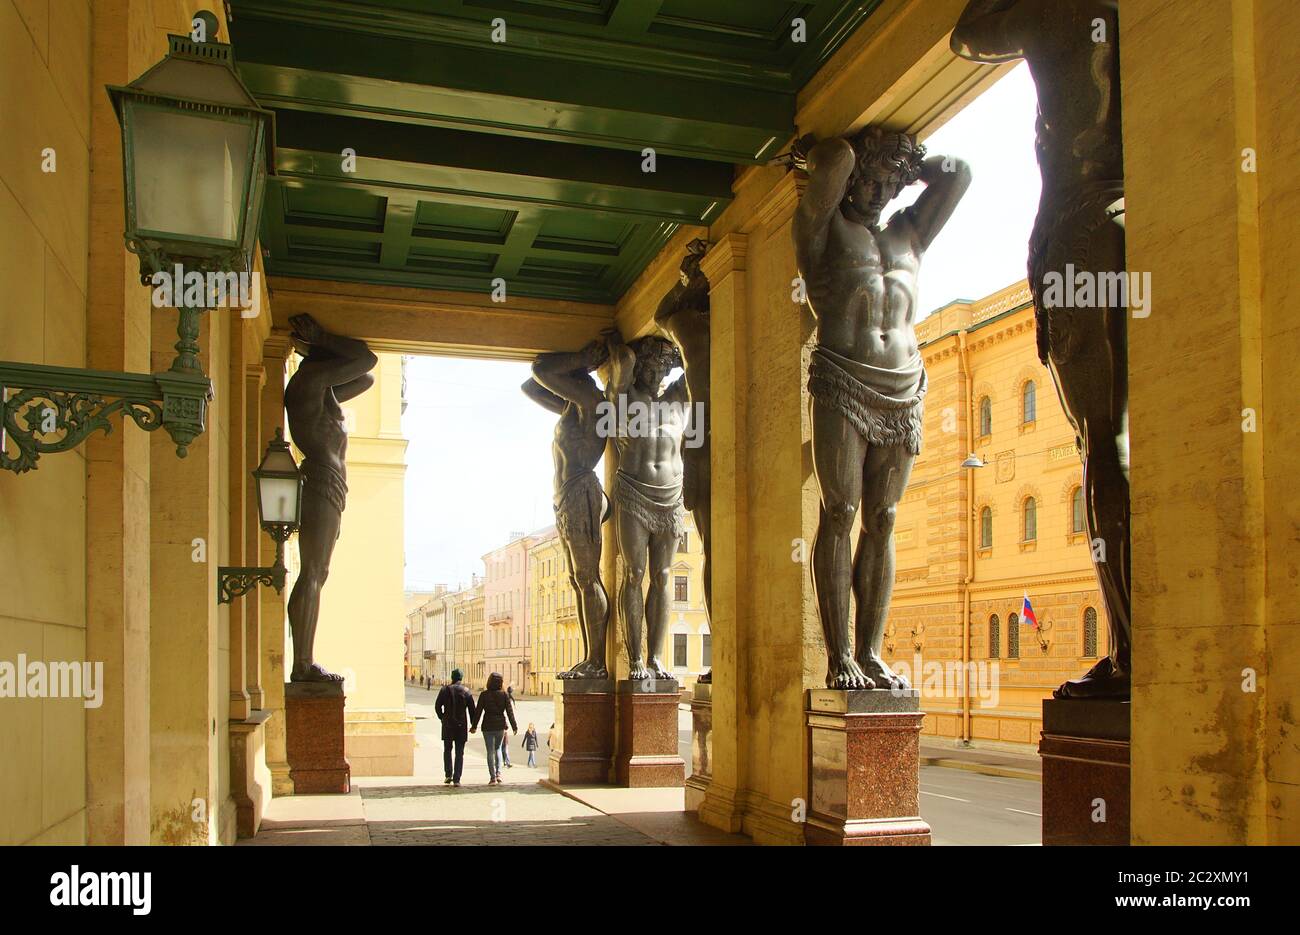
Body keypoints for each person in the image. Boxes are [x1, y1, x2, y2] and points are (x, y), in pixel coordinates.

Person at [792, 126, 970, 690]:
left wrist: (904, 165)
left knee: (884, 520)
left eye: (888, 184)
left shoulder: (908, 235)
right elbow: (836, 158)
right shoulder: (821, 231)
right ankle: (839, 656)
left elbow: (958, 174)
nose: (876, 193)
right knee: (840, 513)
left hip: (905, 386)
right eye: (868, 181)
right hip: (843, 380)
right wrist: (856, 158)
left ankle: (870, 653)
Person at [284, 313, 377, 682]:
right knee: (312, 573)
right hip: (322, 479)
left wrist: (327, 343)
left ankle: (303, 662)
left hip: (330, 484)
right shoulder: (310, 380)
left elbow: (366, 375)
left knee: (317, 572)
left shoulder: (323, 389)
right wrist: (323, 335)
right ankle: (302, 665)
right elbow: (366, 360)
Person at [471, 672, 517, 785]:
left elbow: (478, 712)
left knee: (490, 751)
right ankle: (498, 774)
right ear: (500, 683)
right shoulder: (504, 695)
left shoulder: (484, 695)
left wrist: (474, 726)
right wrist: (514, 726)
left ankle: (492, 777)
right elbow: (509, 712)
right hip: (500, 725)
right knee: (498, 749)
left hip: (487, 726)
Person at [434, 668, 476, 787]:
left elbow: (437, 706)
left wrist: (442, 717)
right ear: (461, 678)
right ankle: (457, 778)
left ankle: (448, 774)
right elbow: (472, 710)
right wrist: (473, 725)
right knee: (459, 752)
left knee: (447, 750)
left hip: (447, 725)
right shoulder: (466, 691)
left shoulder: (445, 690)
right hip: (461, 726)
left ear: (452, 677)